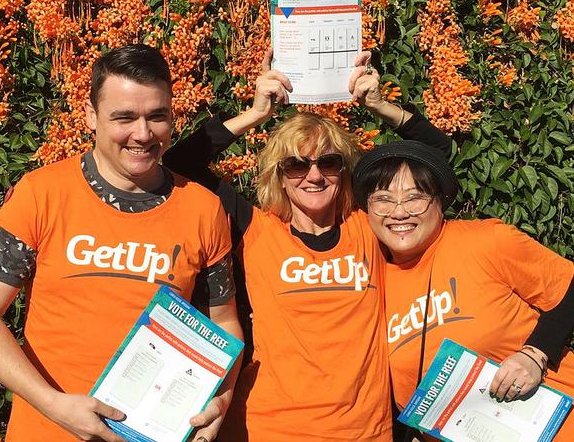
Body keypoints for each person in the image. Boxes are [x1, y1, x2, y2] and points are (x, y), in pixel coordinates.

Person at [0, 44, 243, 442]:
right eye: (124, 117)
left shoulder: (203, 209)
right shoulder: (41, 193)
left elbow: (224, 323)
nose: (143, 134)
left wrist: (220, 404)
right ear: (91, 116)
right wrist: (53, 405)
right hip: (48, 430)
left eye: (157, 116)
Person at [162, 52, 451, 441]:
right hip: (267, 428)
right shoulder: (255, 228)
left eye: (328, 162)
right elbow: (178, 163)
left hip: (363, 432)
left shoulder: (368, 226)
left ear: (342, 170)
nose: (313, 175)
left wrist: (379, 105)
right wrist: (256, 113)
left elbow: (436, 154)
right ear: (279, 176)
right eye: (296, 164)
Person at [352, 140, 574, 440]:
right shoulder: (369, 280)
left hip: (554, 424)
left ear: (440, 201)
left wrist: (535, 355)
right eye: (383, 199)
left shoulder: (486, 241)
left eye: (415, 197)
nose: (399, 212)